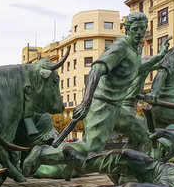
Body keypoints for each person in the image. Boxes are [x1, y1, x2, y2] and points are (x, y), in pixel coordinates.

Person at [23, 12, 164, 175]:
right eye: (135, 29)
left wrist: (158, 57)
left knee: (142, 134)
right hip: (102, 104)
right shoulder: (121, 47)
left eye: (142, 28)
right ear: (127, 29)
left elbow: (133, 70)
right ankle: (41, 154)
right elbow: (96, 69)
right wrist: (86, 101)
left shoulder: (136, 48)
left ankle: (127, 170)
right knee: (91, 148)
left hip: (116, 107)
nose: (139, 33)